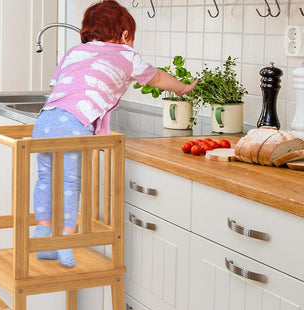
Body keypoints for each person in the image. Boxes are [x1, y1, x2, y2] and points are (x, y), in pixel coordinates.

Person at [32, 0, 197, 267]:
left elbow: (57, 86)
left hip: (45, 120)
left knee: (46, 179)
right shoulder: (127, 56)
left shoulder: (74, 51)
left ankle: (42, 236)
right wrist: (182, 88)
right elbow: (157, 78)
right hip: (76, 123)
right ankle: (65, 242)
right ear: (124, 34)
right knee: (71, 184)